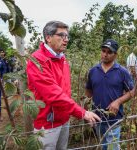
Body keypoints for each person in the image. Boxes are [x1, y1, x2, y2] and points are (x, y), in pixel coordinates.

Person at [26, 21, 101, 150]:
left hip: (64, 119)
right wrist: (81, 112)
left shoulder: (62, 58)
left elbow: (64, 90)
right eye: (61, 35)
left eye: (67, 36)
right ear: (48, 38)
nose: (66, 40)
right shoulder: (38, 60)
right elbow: (52, 94)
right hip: (47, 123)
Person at [85, 39, 134, 150]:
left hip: (114, 118)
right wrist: (86, 111)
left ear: (115, 55)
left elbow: (132, 91)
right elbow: (88, 92)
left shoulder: (122, 71)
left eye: (109, 52)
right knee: (103, 145)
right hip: (97, 117)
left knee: (113, 147)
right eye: (103, 51)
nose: (105, 54)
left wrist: (118, 102)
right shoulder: (93, 71)